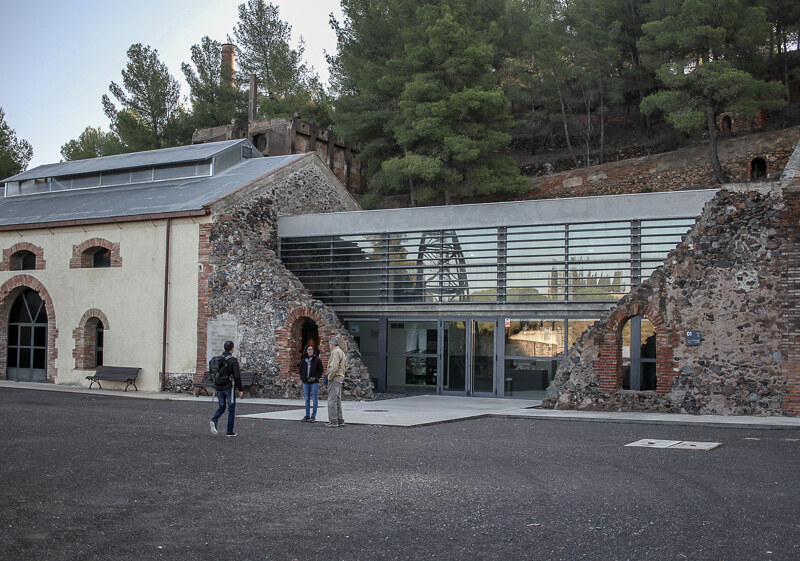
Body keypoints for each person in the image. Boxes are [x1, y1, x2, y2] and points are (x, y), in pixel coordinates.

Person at [210, 340, 243, 437]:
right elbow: (237, 376)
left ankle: (214, 420)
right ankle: (229, 431)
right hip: (229, 387)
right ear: (232, 349)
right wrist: (240, 389)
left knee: (222, 406)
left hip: (219, 386)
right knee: (231, 408)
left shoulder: (218, 359)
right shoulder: (233, 360)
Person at [324, 336, 347, 427]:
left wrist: (329, 377)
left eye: (329, 344)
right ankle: (340, 419)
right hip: (340, 378)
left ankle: (333, 421)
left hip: (334, 379)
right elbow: (344, 366)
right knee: (337, 400)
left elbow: (334, 367)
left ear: (331, 344)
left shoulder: (335, 352)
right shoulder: (341, 352)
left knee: (332, 400)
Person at [298, 344, 323, 422]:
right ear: (306, 351)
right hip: (305, 382)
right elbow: (301, 370)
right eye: (309, 350)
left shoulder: (317, 360)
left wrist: (316, 377)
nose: (310, 351)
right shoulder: (303, 360)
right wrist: (302, 378)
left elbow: (321, 370)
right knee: (307, 399)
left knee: (314, 399)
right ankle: (307, 415)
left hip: (314, 382)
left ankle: (313, 415)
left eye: (311, 349)